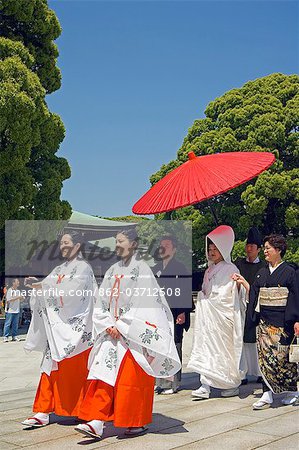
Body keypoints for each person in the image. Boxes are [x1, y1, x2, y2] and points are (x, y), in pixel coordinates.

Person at [75, 229, 181, 440]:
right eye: (116, 241)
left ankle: (134, 421)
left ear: (133, 244)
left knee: (129, 379)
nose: (117, 244)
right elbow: (101, 301)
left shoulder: (142, 269)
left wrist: (121, 326)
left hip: (132, 335)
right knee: (101, 374)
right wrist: (107, 324)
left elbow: (145, 303)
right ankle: (97, 421)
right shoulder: (112, 270)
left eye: (121, 241)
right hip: (111, 333)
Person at [21, 231, 96, 427]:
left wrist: (43, 288)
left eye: (66, 243)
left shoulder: (84, 268)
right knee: (49, 367)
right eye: (61, 243)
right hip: (58, 328)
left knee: (79, 370)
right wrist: (37, 285)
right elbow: (49, 284)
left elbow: (74, 293)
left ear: (77, 246)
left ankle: (83, 409)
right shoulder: (59, 268)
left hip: (78, 330)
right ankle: (42, 411)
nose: (62, 246)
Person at [234, 234, 299, 409]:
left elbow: (295, 297)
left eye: (268, 248)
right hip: (264, 322)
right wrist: (244, 284)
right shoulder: (261, 272)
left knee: (284, 359)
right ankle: (266, 394)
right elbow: (254, 295)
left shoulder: (290, 272)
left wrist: (296, 320)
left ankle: (293, 391)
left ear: (278, 250)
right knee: (265, 359)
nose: (265, 252)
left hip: (284, 322)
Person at [188, 225, 246, 399]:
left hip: (222, 317)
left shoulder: (231, 269)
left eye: (215, 249)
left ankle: (229, 383)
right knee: (207, 348)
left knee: (222, 352)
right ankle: (205, 385)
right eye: (210, 249)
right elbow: (207, 290)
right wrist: (203, 297)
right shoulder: (209, 270)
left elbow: (227, 295)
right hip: (209, 318)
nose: (212, 252)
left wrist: (208, 300)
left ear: (223, 250)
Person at [153, 235, 191, 394]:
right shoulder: (155, 269)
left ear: (174, 250)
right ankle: (160, 381)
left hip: (175, 312)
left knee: (174, 346)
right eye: (162, 245)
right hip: (159, 313)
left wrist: (183, 311)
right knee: (158, 346)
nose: (164, 248)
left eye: (167, 245)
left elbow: (184, 291)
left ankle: (173, 382)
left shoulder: (180, 268)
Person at [235, 227, 266, 384]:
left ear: (259, 249)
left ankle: (260, 372)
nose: (248, 249)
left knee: (257, 339)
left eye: (252, 246)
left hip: (257, 306)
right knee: (242, 339)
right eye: (247, 246)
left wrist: (248, 287)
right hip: (241, 306)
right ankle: (243, 373)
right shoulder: (239, 264)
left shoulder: (264, 267)